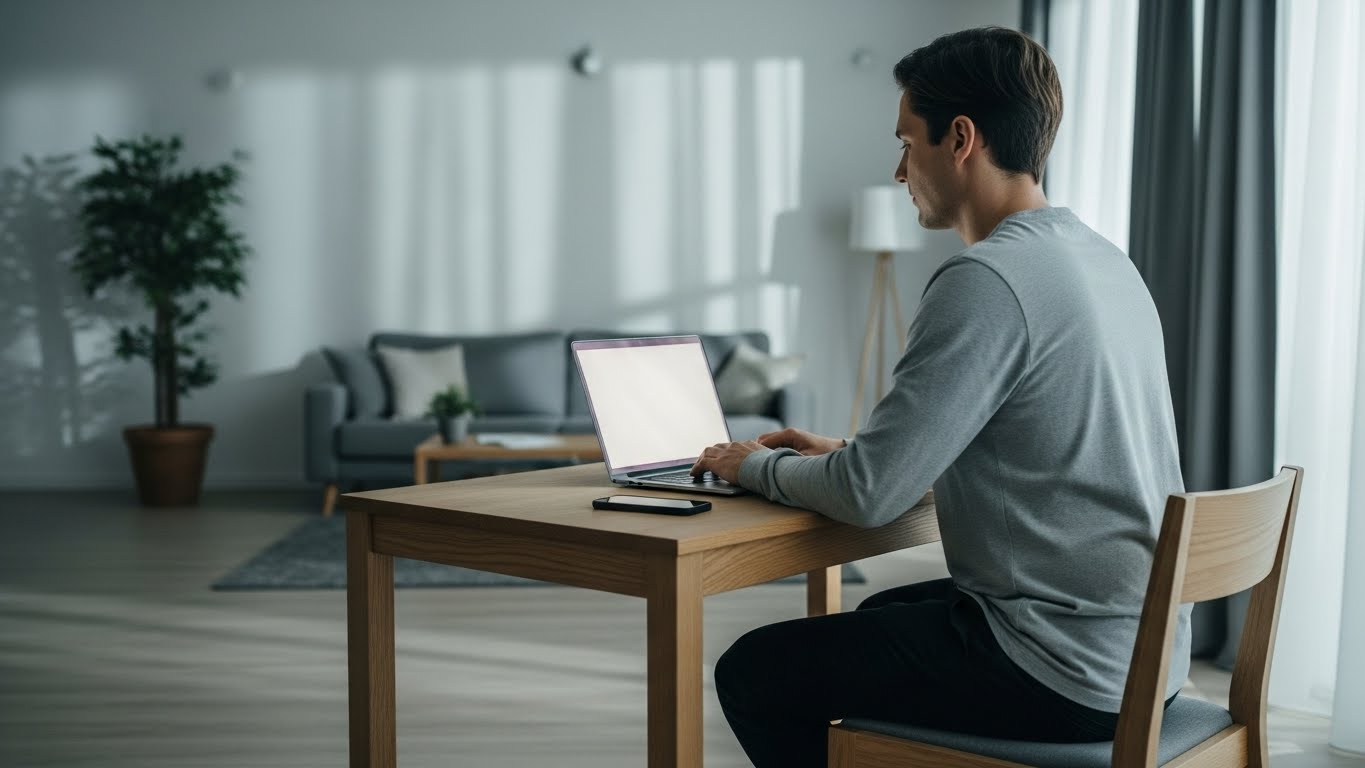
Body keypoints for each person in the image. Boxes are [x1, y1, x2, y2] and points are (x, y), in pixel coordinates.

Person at [688, 26, 1190, 768]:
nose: (898, 170)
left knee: (757, 671)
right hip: (1146, 655)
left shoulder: (985, 280)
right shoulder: (1098, 258)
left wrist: (746, 465)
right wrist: (848, 454)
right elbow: (1004, 444)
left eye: (905, 142)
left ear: (959, 138)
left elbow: (868, 498)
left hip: (1064, 670)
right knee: (883, 614)